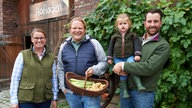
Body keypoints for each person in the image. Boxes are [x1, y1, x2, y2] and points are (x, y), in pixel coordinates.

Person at [113, 8, 170, 108]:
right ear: (145, 23)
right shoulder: (135, 40)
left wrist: (123, 65)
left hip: (144, 93)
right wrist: (117, 68)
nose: (152, 24)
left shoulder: (163, 45)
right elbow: (121, 55)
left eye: (155, 21)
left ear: (160, 23)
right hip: (126, 90)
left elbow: (149, 68)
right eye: (149, 21)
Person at [57, 17, 108, 108]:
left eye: (80, 28)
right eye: (74, 28)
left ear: (85, 30)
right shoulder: (64, 46)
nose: (77, 30)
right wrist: (63, 88)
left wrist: (94, 69)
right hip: (71, 92)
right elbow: (60, 68)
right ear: (70, 30)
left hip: (90, 91)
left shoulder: (94, 43)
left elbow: (104, 62)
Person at [10, 28, 58, 108]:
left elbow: (54, 79)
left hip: (45, 99)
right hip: (26, 99)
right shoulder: (23, 55)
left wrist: (55, 98)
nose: (39, 40)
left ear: (45, 39)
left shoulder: (51, 57)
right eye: (36, 38)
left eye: (41, 38)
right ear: (32, 39)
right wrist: (14, 100)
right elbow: (15, 78)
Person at [107, 14, 145, 99]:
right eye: (120, 24)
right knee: (122, 73)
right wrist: (109, 57)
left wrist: (137, 54)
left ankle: (139, 84)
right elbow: (110, 48)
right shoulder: (114, 37)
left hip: (129, 56)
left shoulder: (133, 35)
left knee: (131, 66)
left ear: (129, 24)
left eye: (125, 23)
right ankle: (125, 91)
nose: (123, 25)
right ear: (117, 26)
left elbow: (137, 45)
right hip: (118, 58)